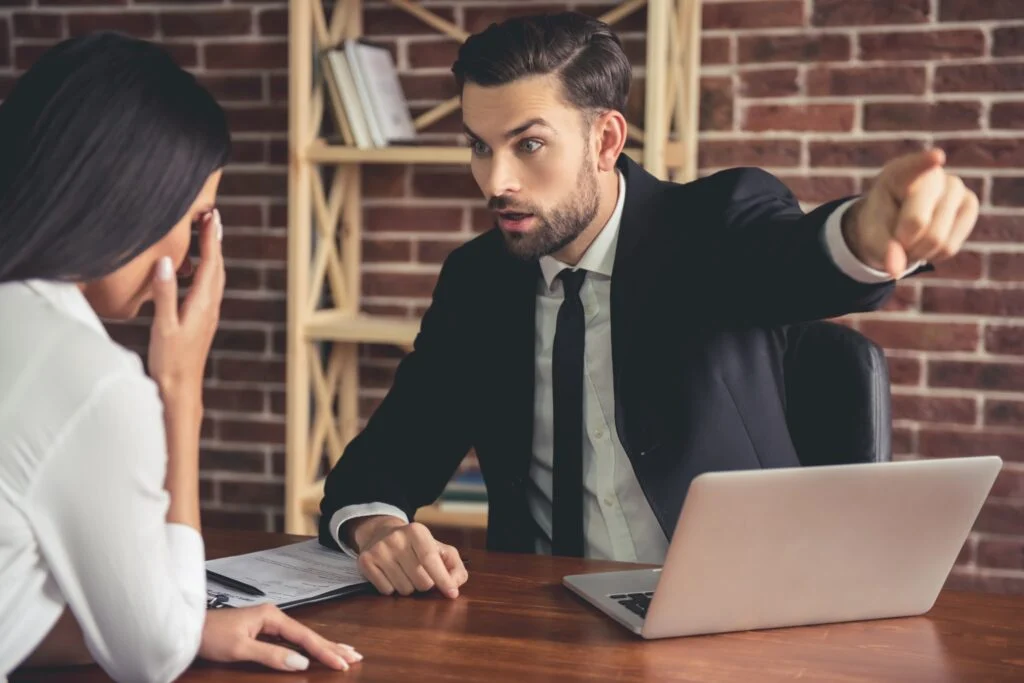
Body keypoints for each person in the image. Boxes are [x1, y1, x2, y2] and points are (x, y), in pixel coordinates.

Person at [318, 12, 979, 599]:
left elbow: (799, 260)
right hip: (541, 627)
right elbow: (379, 465)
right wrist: (381, 528)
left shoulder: (713, 225)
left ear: (606, 141)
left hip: (733, 616)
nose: (497, 182)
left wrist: (872, 231)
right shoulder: (477, 281)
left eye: (529, 144)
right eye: (479, 147)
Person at [0, 33, 362, 681]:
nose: (194, 256)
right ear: (130, 198)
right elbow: (154, 657)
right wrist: (180, 392)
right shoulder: (92, 381)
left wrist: (155, 624)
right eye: (196, 218)